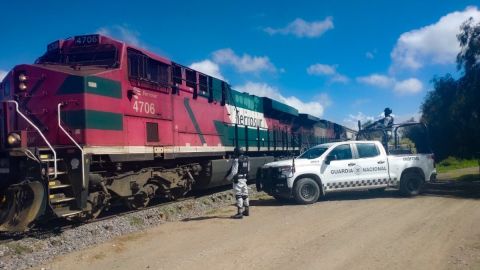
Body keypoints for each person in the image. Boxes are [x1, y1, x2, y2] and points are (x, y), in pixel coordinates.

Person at [225, 147, 250, 219]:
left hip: (238, 181)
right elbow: (248, 170)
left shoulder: (236, 160)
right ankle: (247, 210)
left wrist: (228, 178)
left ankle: (240, 213)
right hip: (244, 179)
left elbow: (234, 172)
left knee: (238, 196)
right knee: (245, 195)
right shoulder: (247, 159)